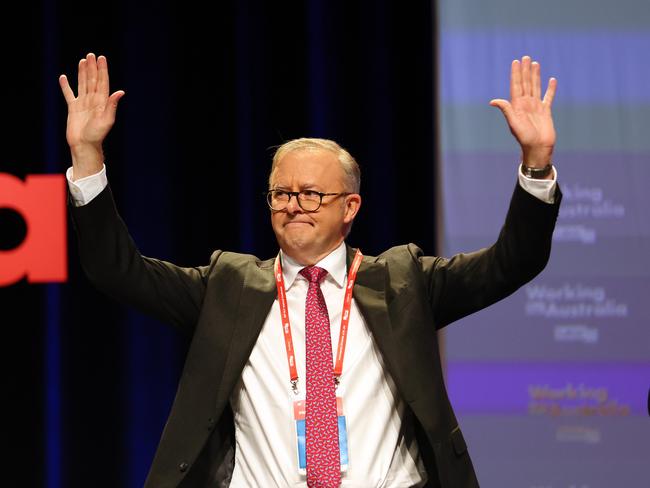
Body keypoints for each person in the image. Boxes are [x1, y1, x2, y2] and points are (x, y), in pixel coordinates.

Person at [59, 53, 560, 488]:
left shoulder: (405, 282)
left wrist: (535, 165)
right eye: (281, 193)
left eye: (312, 194)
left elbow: (510, 263)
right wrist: (86, 156)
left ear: (350, 207)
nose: (294, 206)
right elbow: (116, 270)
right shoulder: (228, 287)